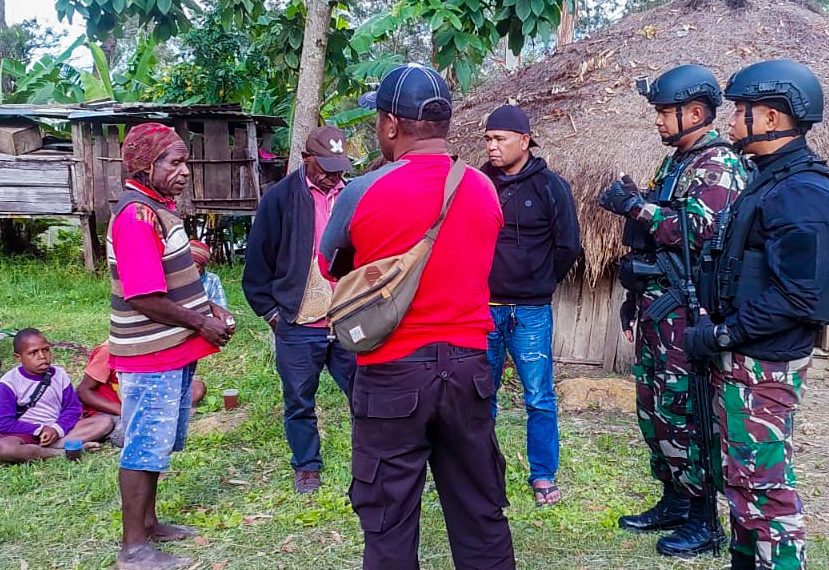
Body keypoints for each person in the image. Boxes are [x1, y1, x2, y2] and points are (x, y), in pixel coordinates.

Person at [321, 63, 515, 570]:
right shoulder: (483, 189)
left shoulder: (362, 192)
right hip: (470, 370)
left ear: (389, 124)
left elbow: (330, 268)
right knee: (481, 514)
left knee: (387, 523)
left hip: (391, 375)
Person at [685, 59, 829, 570]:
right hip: (744, 360)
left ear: (773, 119)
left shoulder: (803, 192)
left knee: (765, 491)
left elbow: (797, 295)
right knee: (743, 482)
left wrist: (722, 333)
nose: (732, 122)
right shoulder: (769, 180)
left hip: (764, 364)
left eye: (741, 111)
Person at [598, 64, 747, 557]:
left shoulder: (718, 165)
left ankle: (704, 518)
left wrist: (633, 207)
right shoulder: (675, 164)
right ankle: (675, 499)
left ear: (698, 113)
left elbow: (698, 230)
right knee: (655, 410)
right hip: (657, 309)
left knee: (688, 411)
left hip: (688, 313)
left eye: (667, 113)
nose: (659, 122)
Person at [108, 122, 235, 570]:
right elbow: (144, 294)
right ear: (146, 165)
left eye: (185, 161)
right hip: (150, 354)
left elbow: (174, 281)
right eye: (174, 162)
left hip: (169, 349)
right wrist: (201, 322)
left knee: (156, 444)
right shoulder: (137, 216)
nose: (185, 171)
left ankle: (150, 524)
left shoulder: (157, 208)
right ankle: (134, 548)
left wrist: (210, 309)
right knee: (143, 446)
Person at [242, 125, 356, 495]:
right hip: (297, 319)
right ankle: (307, 465)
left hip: (347, 316)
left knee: (365, 393)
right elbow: (257, 263)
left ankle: (371, 459)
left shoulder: (353, 194)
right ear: (307, 159)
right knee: (298, 400)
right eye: (324, 166)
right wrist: (273, 314)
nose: (332, 174)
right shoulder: (280, 199)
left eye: (337, 166)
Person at [480, 104, 581, 506]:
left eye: (500, 138)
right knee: (479, 394)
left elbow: (568, 245)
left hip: (531, 312)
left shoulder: (551, 187)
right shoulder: (477, 184)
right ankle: (482, 471)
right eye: (487, 139)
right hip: (482, 307)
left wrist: (537, 282)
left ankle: (542, 475)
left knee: (538, 395)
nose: (492, 146)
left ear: (524, 141)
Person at [0, 329, 112, 463]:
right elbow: (4, 424)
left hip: (59, 432)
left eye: (46, 350)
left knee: (104, 422)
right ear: (18, 357)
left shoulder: (59, 375)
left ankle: (44, 449)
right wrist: (40, 430)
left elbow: (73, 409)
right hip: (24, 435)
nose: (42, 356)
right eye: (33, 353)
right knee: (4, 448)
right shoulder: (8, 383)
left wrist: (56, 429)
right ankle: (61, 452)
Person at [76, 342, 207, 448]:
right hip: (112, 411)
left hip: (146, 402)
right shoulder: (109, 350)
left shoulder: (155, 346)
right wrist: (120, 410)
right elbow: (84, 391)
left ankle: (164, 413)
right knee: (149, 435)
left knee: (197, 387)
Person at [190, 240, 227, 308]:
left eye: (197, 267)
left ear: (204, 265)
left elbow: (221, 307)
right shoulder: (179, 278)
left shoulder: (212, 280)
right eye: (189, 266)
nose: (192, 270)